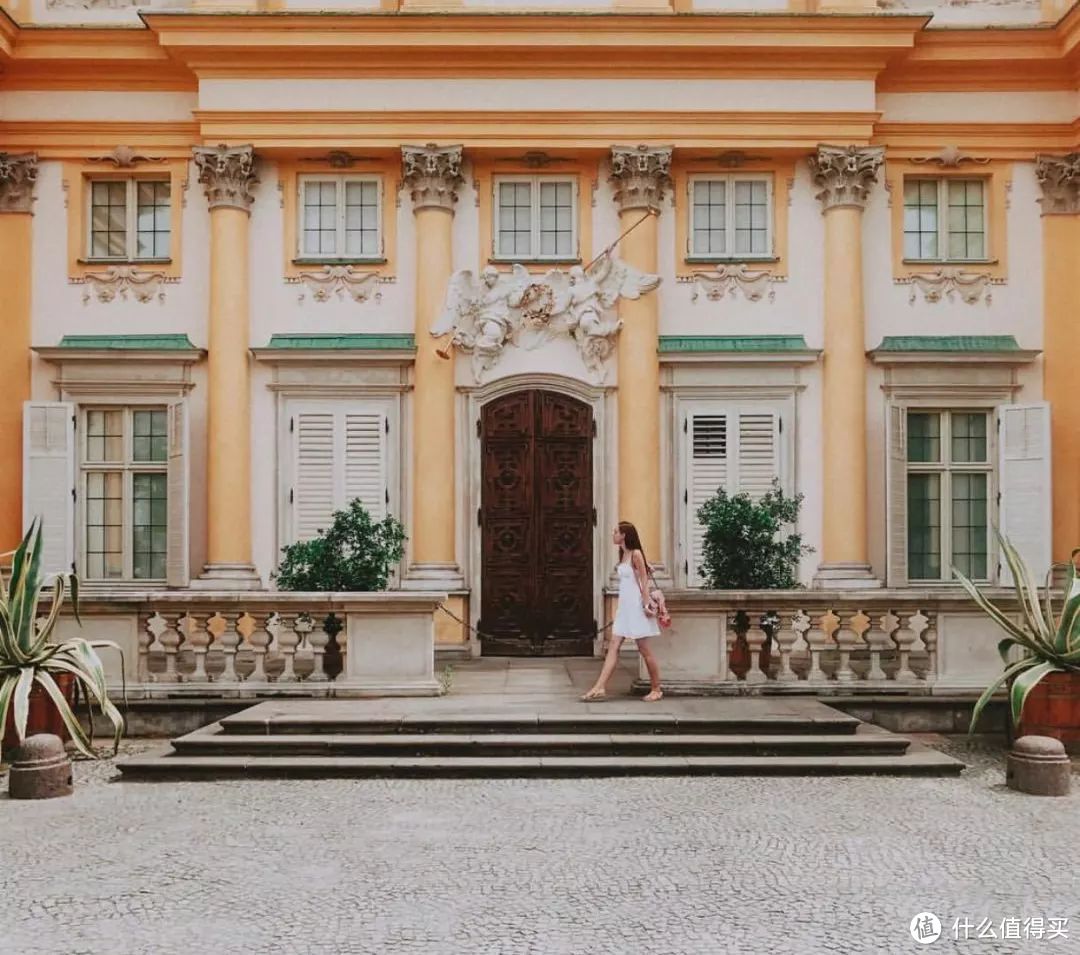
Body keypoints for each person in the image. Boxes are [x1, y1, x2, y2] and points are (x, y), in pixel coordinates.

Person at [581, 521, 663, 702]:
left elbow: (644, 581)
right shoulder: (623, 554)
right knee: (613, 647)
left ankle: (656, 688)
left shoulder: (636, 554)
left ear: (624, 535)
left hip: (636, 607)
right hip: (624, 608)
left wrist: (646, 604)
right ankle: (599, 687)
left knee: (644, 649)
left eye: (616, 532)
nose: (613, 534)